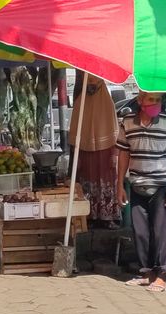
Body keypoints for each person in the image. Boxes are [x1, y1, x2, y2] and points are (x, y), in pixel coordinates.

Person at [116, 91, 166, 292]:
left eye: (158, 100)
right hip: (137, 185)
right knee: (141, 232)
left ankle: (162, 277)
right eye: (151, 99)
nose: (155, 103)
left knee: (161, 232)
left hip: (161, 186)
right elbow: (123, 154)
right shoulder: (127, 123)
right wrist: (119, 185)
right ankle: (146, 273)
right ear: (140, 101)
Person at [69, 72, 120, 230]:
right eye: (89, 82)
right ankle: (88, 216)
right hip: (85, 152)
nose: (92, 86)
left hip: (105, 153)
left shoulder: (108, 103)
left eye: (95, 82)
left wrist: (114, 154)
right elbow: (75, 129)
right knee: (87, 183)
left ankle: (108, 217)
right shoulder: (80, 102)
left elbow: (114, 130)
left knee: (106, 183)